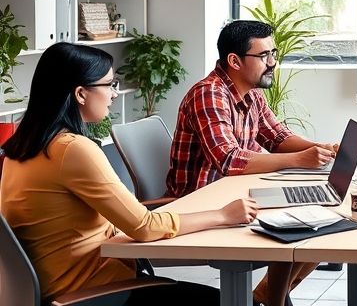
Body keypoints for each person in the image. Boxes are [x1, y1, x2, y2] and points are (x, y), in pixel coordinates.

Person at [0, 43, 258, 304]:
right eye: (109, 85)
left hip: (60, 290)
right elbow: (144, 227)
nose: (114, 94)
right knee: (238, 302)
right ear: (80, 94)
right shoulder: (72, 150)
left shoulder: (19, 149)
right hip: (95, 293)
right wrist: (224, 214)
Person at [166, 20, 335, 306]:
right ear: (234, 60)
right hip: (200, 204)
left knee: (321, 227)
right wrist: (299, 159)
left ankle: (264, 298)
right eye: (264, 55)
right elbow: (228, 159)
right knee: (304, 231)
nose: (272, 63)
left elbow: (277, 137)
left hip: (236, 196)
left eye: (273, 53)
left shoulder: (252, 93)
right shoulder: (209, 94)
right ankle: (265, 299)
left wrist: (322, 148)